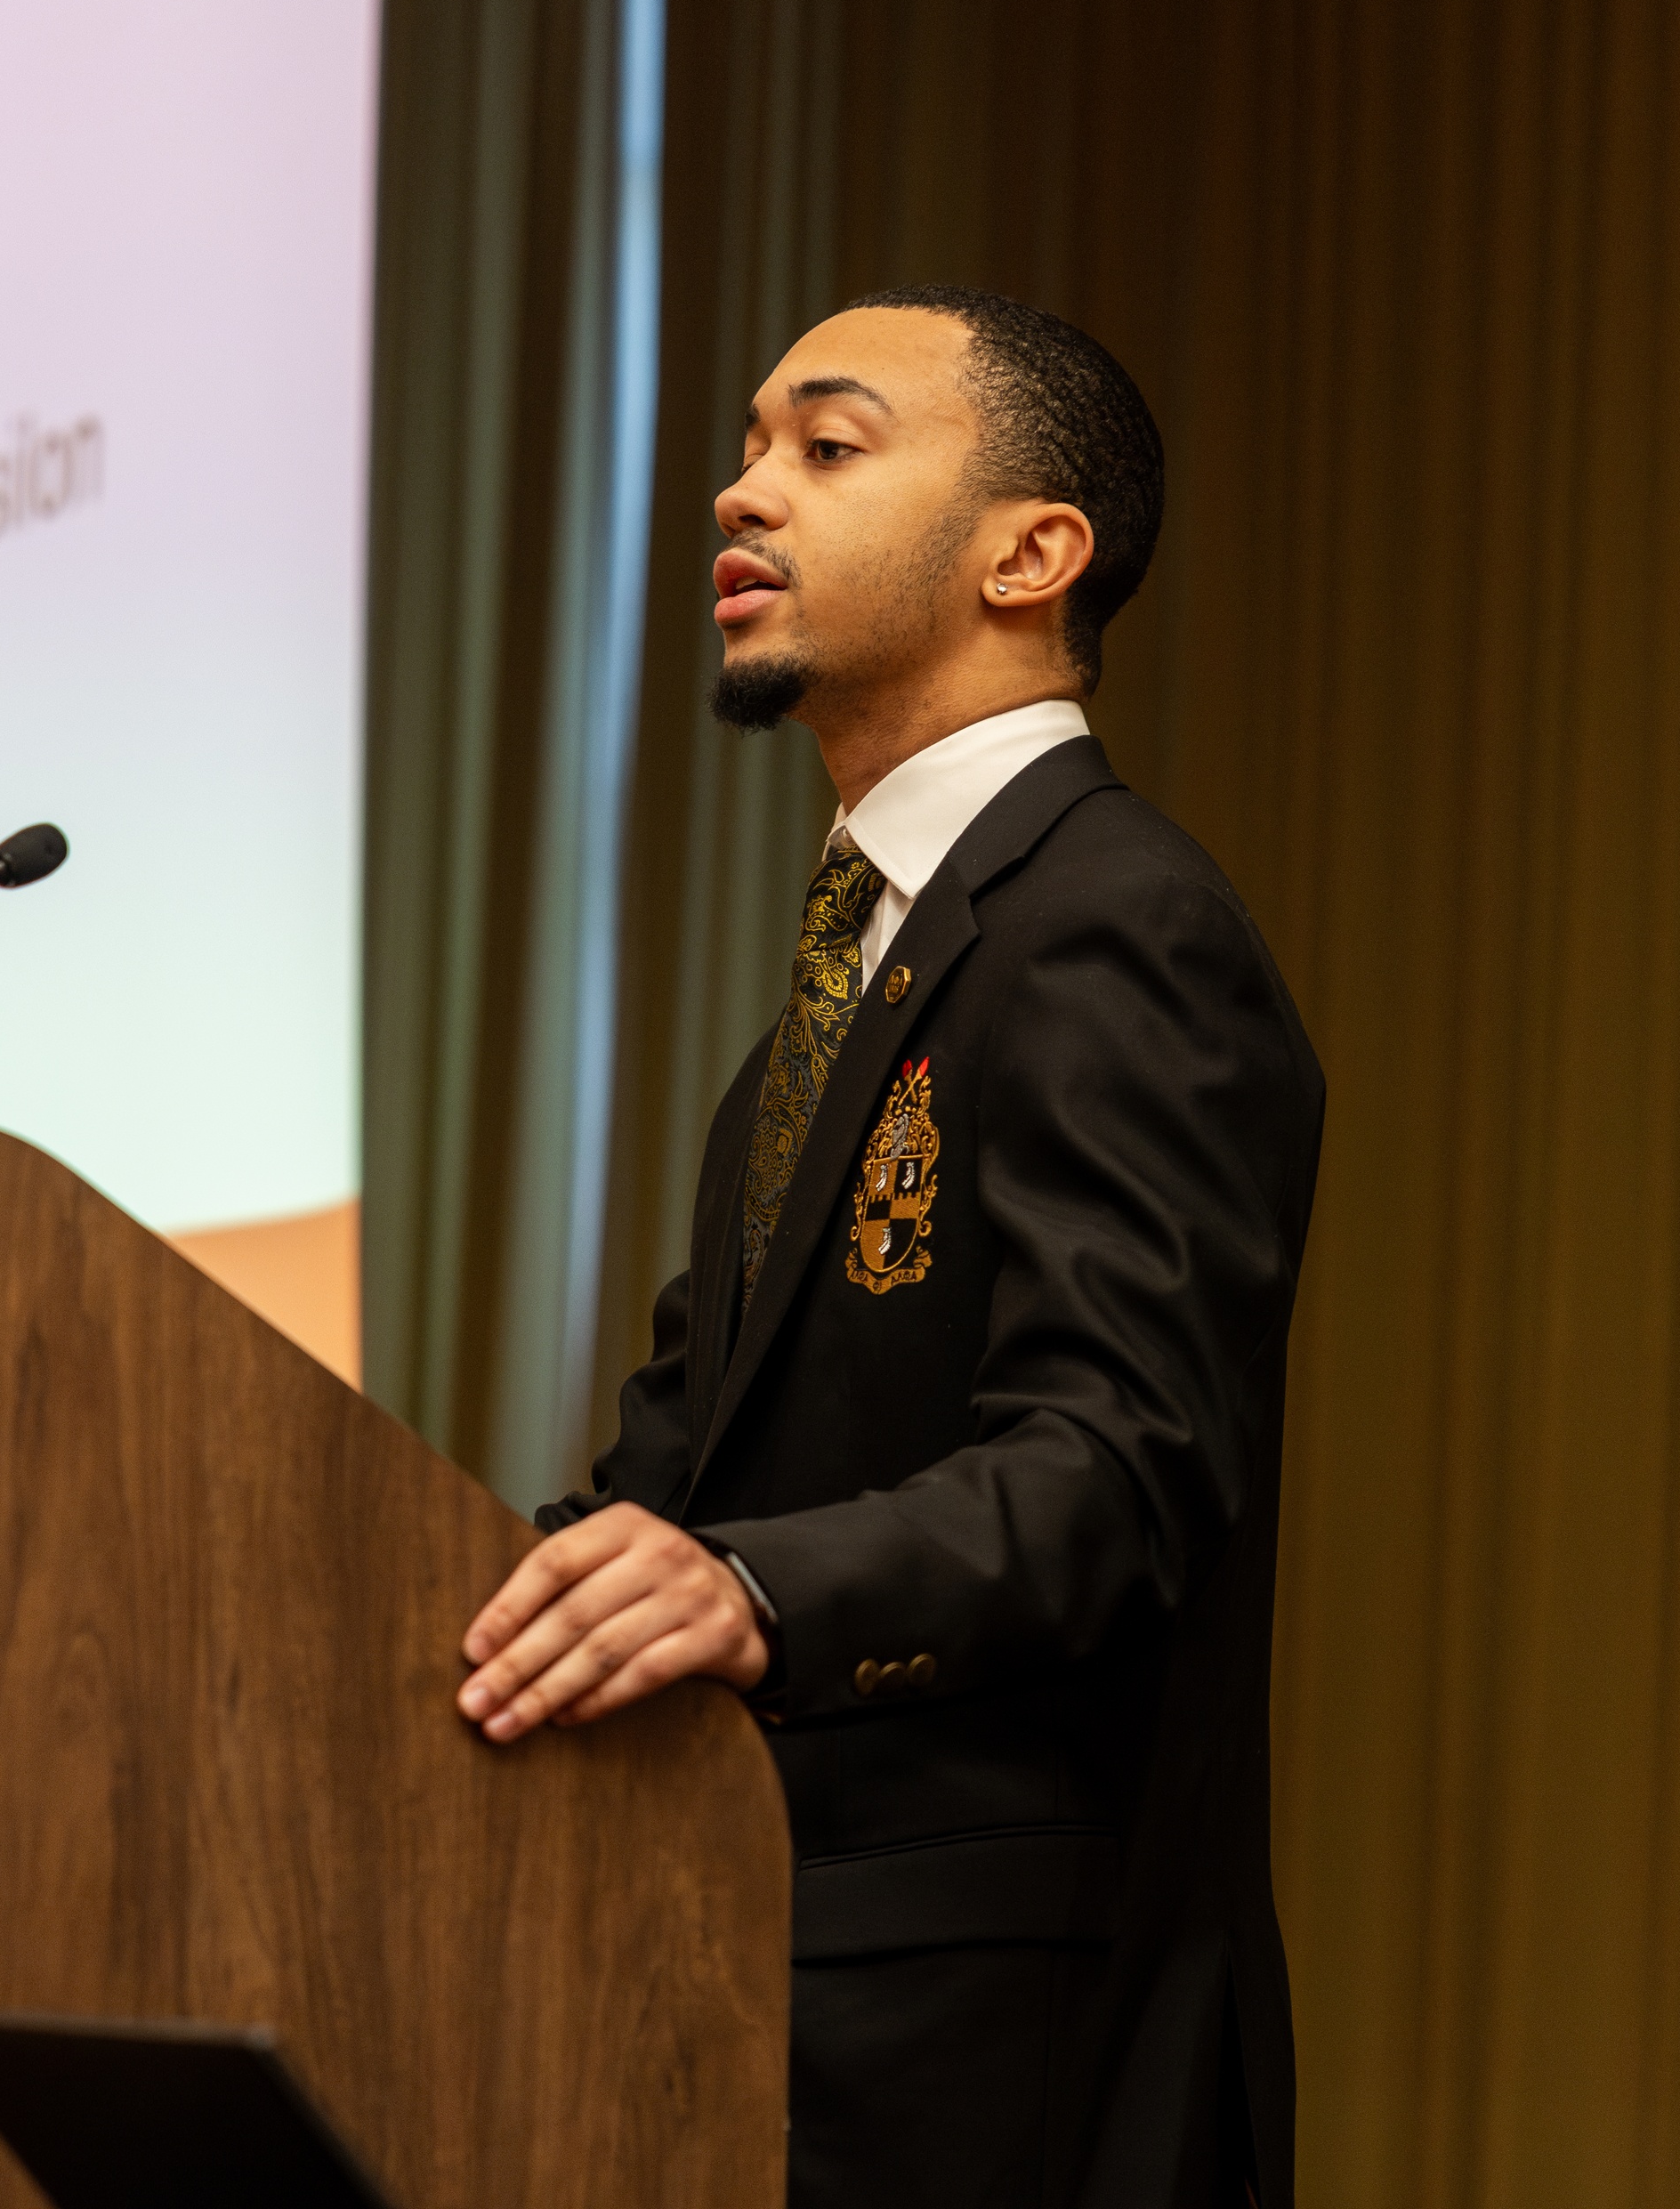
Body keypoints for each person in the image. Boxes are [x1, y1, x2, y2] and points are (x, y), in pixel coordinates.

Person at [453, 286, 1324, 2207]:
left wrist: (744, 1591)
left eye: (823, 448)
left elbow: (1119, 1466)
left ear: (1031, 553)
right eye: (748, 445)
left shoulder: (1116, 921)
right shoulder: (823, 1014)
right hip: (724, 1977)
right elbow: (665, 1482)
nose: (735, 493)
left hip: (989, 2043)